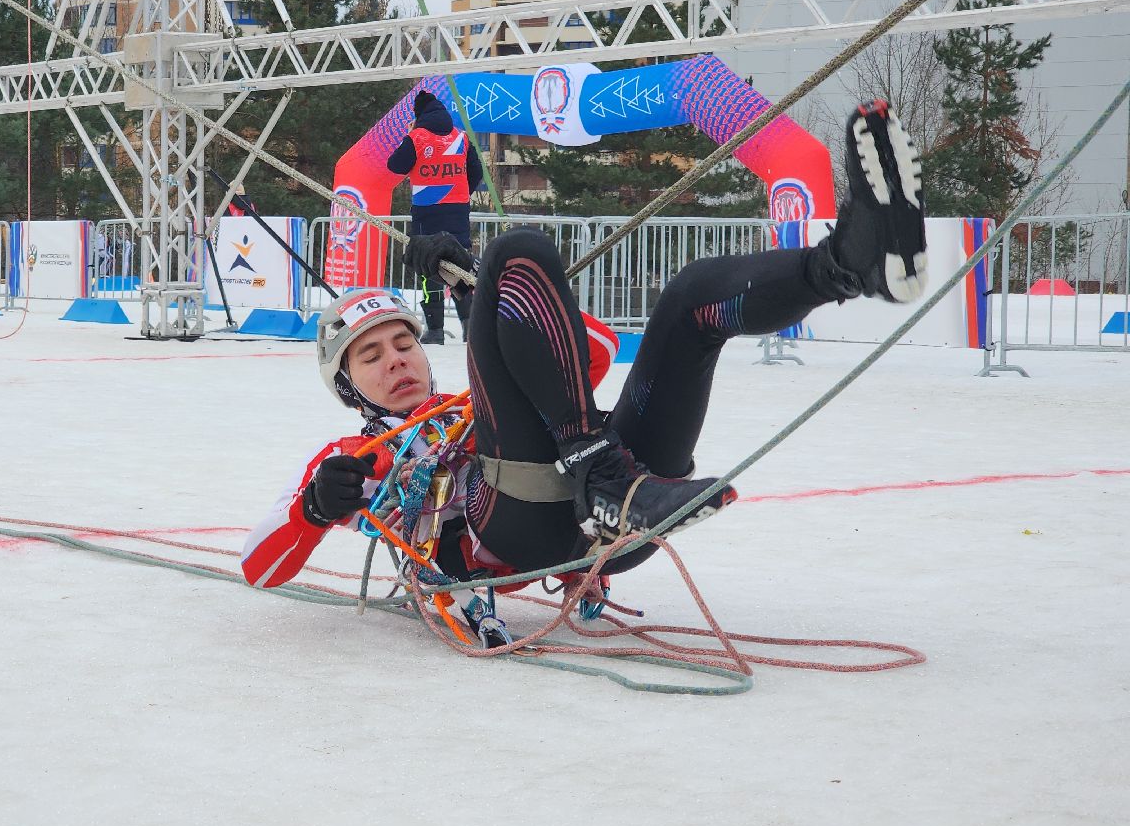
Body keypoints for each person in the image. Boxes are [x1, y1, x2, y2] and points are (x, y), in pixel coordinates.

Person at [244, 102, 927, 640]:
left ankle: (846, 263)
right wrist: (315, 507)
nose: (395, 359)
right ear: (346, 386)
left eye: (403, 342)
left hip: (602, 528)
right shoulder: (354, 458)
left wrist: (473, 290)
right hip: (518, 529)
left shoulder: (468, 398)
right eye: (371, 355)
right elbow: (259, 564)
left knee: (688, 302)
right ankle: (605, 478)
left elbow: (592, 350)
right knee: (518, 250)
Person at [386, 90, 482, 345]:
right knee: (461, 264)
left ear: (419, 115)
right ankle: (470, 327)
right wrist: (461, 192)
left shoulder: (417, 137)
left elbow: (394, 165)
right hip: (458, 210)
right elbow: (476, 171)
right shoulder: (460, 138)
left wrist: (409, 135)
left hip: (427, 212)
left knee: (429, 265)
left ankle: (436, 329)